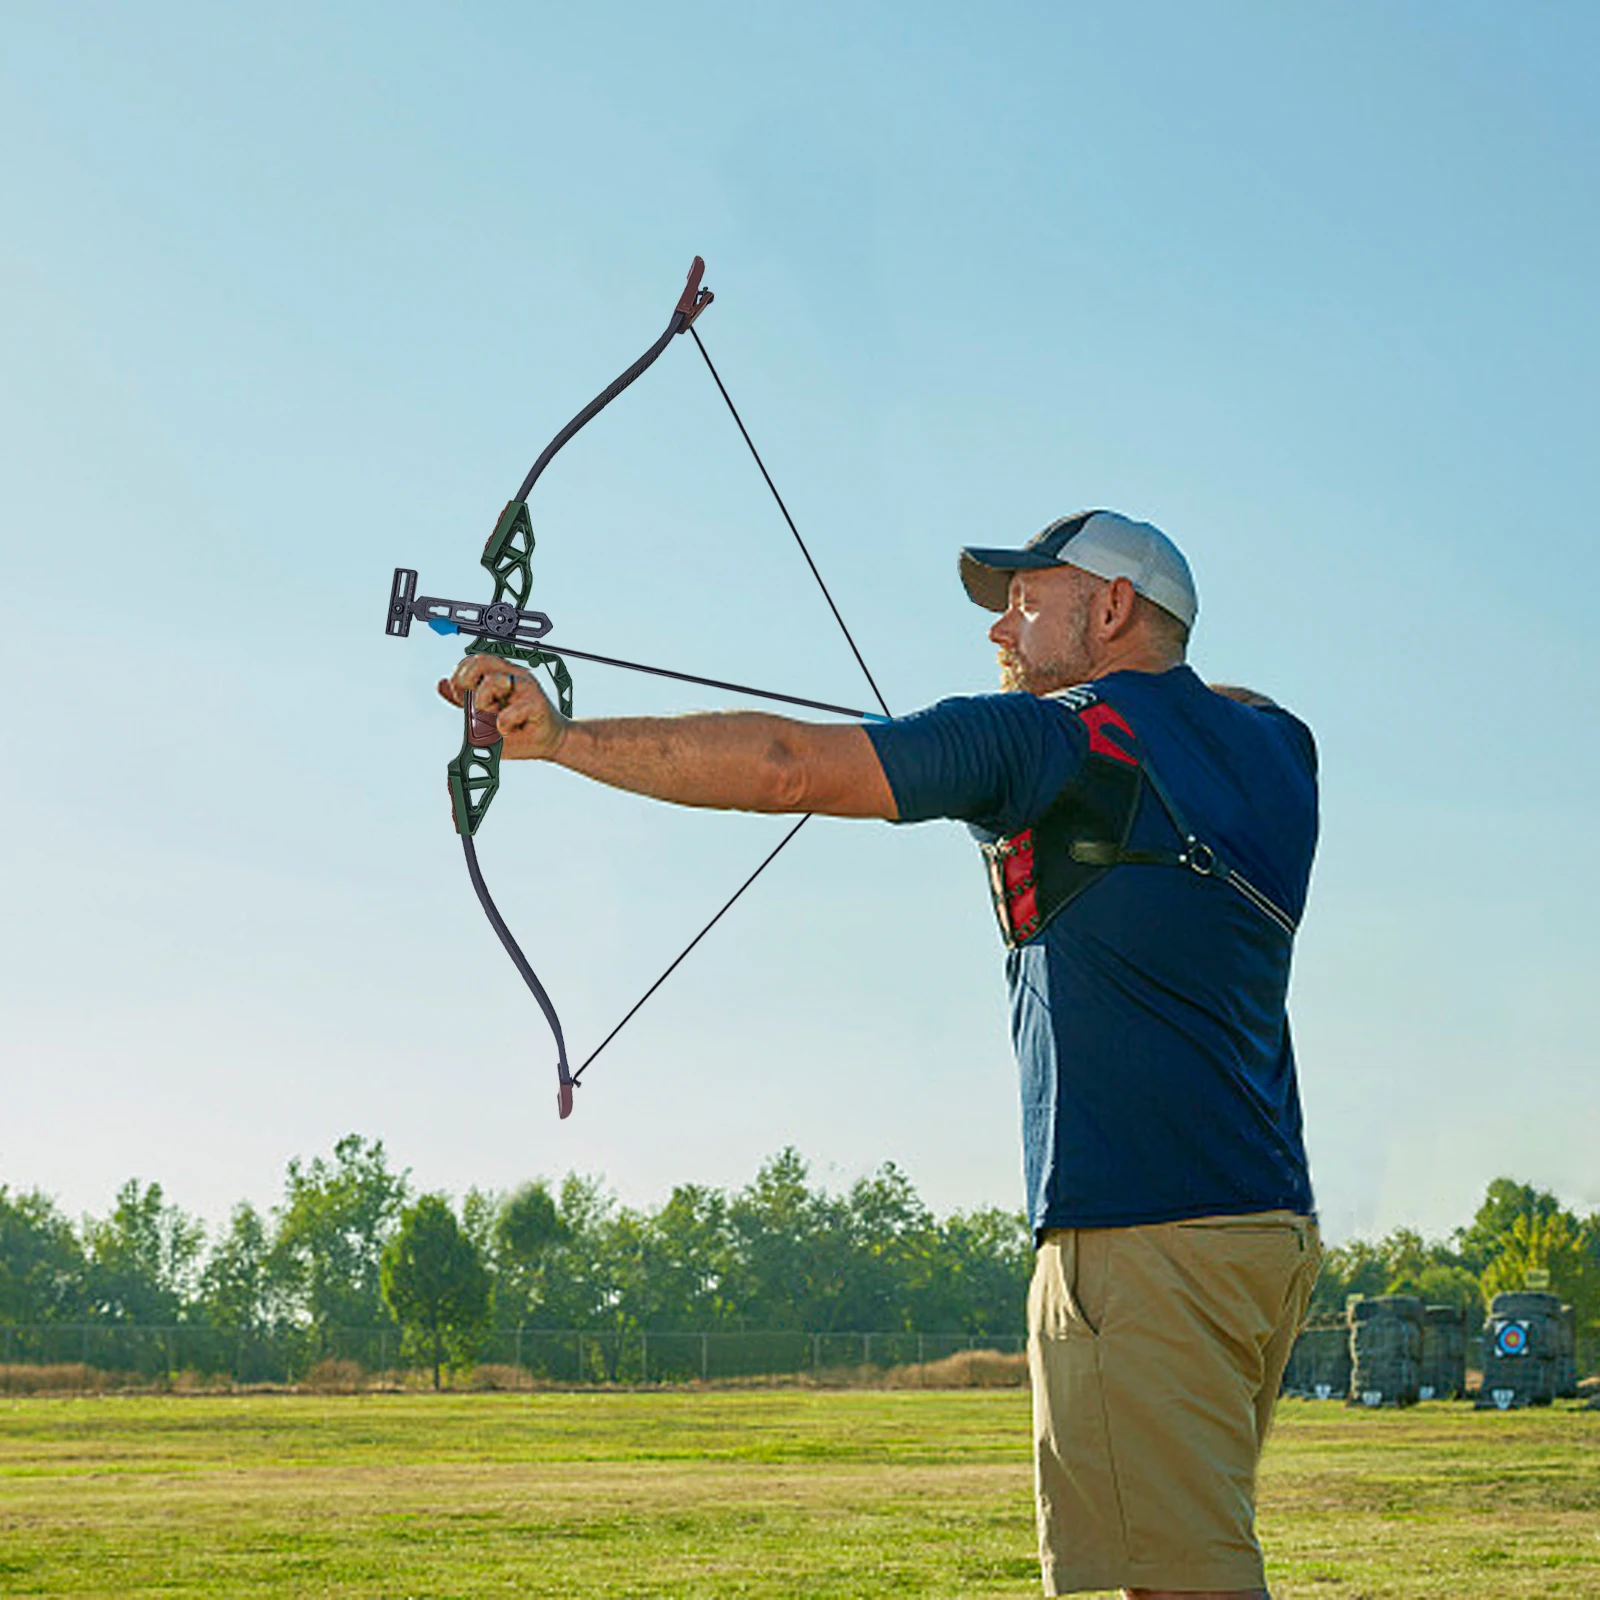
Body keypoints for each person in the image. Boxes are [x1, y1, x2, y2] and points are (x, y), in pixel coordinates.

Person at [440, 509, 1321, 1600]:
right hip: (1262, 1236)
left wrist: (558, 736)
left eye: (1027, 596)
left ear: (1110, 608)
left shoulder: (1054, 740)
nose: (1002, 623)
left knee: (1182, 1584)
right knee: (1175, 1556)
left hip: (1139, 1236)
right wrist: (1034, 700)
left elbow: (783, 768)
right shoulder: (1281, 751)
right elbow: (1218, 702)